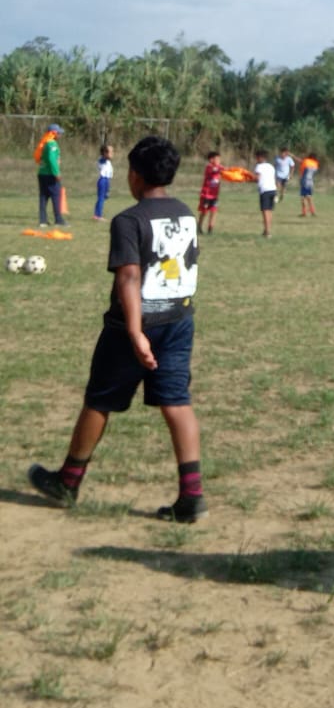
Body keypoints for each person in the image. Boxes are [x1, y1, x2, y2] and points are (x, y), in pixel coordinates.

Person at [28, 134, 206, 522]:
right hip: (179, 321)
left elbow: (129, 277)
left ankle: (68, 481)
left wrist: (135, 332)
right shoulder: (185, 214)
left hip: (131, 326)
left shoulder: (129, 220)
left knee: (100, 399)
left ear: (136, 175)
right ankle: (192, 496)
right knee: (177, 401)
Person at [35, 123, 65, 229]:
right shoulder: (52, 144)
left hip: (42, 173)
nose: (60, 135)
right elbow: (52, 160)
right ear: (54, 133)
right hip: (50, 174)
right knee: (56, 196)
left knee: (43, 197)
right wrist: (56, 173)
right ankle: (58, 220)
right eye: (59, 133)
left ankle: (42, 221)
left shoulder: (44, 142)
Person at [197, 150, 222, 235]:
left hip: (214, 196)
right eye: (217, 159)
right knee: (204, 211)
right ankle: (199, 226)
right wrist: (220, 169)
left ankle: (210, 228)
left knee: (214, 211)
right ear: (211, 159)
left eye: (219, 159)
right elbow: (214, 170)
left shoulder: (219, 167)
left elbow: (225, 171)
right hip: (206, 195)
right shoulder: (209, 167)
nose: (219, 161)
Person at [254, 149, 277, 238]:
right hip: (273, 189)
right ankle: (266, 230)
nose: (256, 159)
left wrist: (247, 178)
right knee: (270, 211)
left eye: (257, 157)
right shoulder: (271, 166)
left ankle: (267, 232)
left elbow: (257, 178)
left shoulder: (259, 166)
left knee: (265, 211)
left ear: (260, 157)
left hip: (265, 190)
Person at [94, 143, 114, 221]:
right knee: (101, 198)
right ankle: (98, 215)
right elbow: (105, 158)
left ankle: (97, 214)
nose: (112, 153)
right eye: (110, 152)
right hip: (103, 180)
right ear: (105, 153)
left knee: (105, 196)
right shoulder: (102, 160)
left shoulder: (108, 161)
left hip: (107, 180)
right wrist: (106, 152)